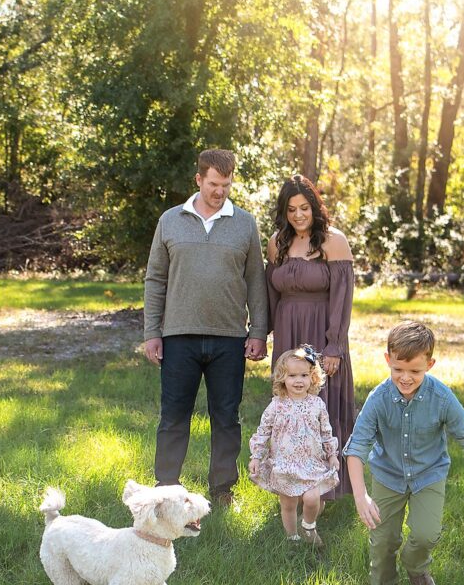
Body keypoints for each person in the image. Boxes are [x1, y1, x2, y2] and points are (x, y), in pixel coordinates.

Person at [143, 149, 268, 507]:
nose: (220, 192)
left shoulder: (244, 223)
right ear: (199, 180)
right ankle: (166, 488)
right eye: (214, 184)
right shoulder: (170, 220)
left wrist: (258, 331)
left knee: (227, 417)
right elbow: (155, 279)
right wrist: (153, 331)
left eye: (226, 185)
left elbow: (256, 281)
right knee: (173, 416)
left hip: (229, 337)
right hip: (178, 335)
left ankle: (222, 489)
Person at [343, 320, 464, 585]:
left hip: (428, 474)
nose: (406, 377)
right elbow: (356, 448)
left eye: (415, 371)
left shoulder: (442, 397)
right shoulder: (378, 399)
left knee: (426, 534)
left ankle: (416, 566)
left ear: (430, 364)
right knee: (383, 539)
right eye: (398, 369)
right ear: (388, 360)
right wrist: (361, 496)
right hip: (388, 475)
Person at [266, 174, 354, 499]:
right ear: (284, 212)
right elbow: (270, 294)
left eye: (304, 207)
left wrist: (334, 346)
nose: (299, 215)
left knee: (322, 410)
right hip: (288, 334)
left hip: (321, 333)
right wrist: (263, 335)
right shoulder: (277, 242)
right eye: (291, 209)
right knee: (288, 412)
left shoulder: (334, 241)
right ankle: (290, 487)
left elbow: (342, 300)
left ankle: (325, 490)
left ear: (315, 207)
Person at [249, 345, 339, 548]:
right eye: (292, 376)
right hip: (285, 462)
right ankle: (292, 539)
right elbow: (263, 432)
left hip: (310, 462)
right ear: (282, 378)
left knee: (312, 498)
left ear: (312, 377)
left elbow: (326, 432)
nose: (298, 381)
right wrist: (256, 456)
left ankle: (308, 526)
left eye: (304, 375)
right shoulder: (277, 405)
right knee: (288, 504)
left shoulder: (317, 404)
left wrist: (331, 454)